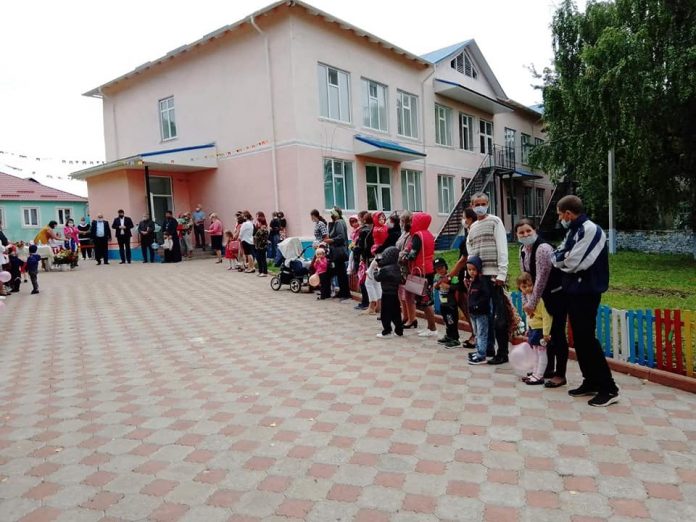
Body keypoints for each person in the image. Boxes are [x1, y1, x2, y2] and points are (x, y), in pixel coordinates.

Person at [553, 195, 618, 407]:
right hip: (573, 290)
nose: (560, 219)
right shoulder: (573, 231)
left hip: (587, 291)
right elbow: (557, 255)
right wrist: (562, 258)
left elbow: (573, 262)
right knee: (580, 339)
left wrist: (562, 258)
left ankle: (609, 388)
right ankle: (590, 380)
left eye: (560, 215)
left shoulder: (590, 230)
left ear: (568, 214)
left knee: (587, 338)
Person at [516, 218, 567, 388]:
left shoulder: (543, 249)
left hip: (554, 296)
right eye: (521, 232)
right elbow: (525, 279)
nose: (525, 235)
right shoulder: (523, 250)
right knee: (546, 335)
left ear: (535, 230)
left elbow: (540, 280)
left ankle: (560, 374)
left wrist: (532, 303)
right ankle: (547, 369)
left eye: (528, 231)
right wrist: (526, 302)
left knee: (557, 335)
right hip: (538, 300)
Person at [466, 192, 509, 365]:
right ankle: (488, 347)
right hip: (479, 277)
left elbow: (502, 247)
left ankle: (503, 352)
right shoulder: (473, 227)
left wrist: (502, 273)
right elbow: (471, 250)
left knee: (499, 315)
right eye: (477, 204)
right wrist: (470, 273)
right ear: (472, 205)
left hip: (493, 275)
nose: (480, 207)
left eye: (483, 203)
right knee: (483, 313)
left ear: (488, 204)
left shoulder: (495, 221)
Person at [448, 208, 478, 348]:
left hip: (468, 275)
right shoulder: (469, 233)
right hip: (464, 275)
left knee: (469, 306)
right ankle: (474, 332)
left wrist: (450, 275)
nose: (463, 220)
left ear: (470, 219)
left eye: (464, 217)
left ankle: (476, 334)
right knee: (464, 304)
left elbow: (463, 259)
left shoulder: (472, 235)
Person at [405, 212, 437, 337]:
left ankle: (432, 328)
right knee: (426, 299)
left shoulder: (418, 236)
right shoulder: (428, 234)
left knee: (425, 301)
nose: (410, 223)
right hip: (428, 269)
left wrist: (404, 257)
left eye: (412, 221)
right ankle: (430, 327)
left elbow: (412, 254)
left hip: (420, 270)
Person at [518, 272, 552, 385]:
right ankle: (535, 373)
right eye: (524, 287)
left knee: (541, 352)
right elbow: (529, 316)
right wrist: (528, 328)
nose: (527, 288)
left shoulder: (538, 300)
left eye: (530, 285)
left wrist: (546, 333)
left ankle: (539, 375)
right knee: (535, 352)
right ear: (520, 288)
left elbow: (547, 316)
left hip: (540, 329)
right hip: (533, 328)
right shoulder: (527, 299)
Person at [466, 255, 491, 365]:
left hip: (481, 313)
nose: (471, 272)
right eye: (469, 270)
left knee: (481, 334)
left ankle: (481, 355)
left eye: (474, 269)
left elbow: (486, 296)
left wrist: (477, 306)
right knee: (476, 333)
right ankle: (478, 351)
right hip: (473, 313)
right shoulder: (472, 281)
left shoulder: (482, 282)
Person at [373, 246, 403, 338]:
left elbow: (378, 278)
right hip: (394, 293)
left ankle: (387, 331)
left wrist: (375, 271)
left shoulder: (385, 269)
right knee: (396, 312)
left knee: (385, 313)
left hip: (386, 293)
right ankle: (399, 330)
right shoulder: (397, 267)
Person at [434, 258, 460, 348]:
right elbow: (436, 287)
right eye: (437, 269)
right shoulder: (438, 278)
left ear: (446, 267)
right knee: (446, 321)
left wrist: (448, 286)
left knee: (451, 321)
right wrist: (438, 284)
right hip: (443, 304)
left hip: (451, 304)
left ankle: (455, 339)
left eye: (441, 268)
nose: (440, 270)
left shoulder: (452, 277)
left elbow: (456, 287)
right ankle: (449, 336)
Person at [326, 207, 351, 300]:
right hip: (337, 251)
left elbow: (341, 237)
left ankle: (345, 293)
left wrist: (331, 240)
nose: (331, 215)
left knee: (341, 273)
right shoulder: (339, 222)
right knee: (340, 272)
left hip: (338, 252)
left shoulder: (339, 223)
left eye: (332, 214)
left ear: (335, 214)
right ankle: (342, 292)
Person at [396, 211, 416, 328]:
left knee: (408, 294)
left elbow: (406, 250)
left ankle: (412, 318)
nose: (401, 223)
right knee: (401, 292)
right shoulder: (403, 233)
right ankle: (405, 316)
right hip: (400, 266)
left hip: (406, 267)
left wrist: (398, 256)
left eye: (403, 221)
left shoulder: (411, 234)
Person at [254, 212, 270, 277]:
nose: (257, 223)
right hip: (258, 246)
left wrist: (256, 235)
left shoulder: (264, 229)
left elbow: (260, 236)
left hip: (262, 246)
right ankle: (260, 271)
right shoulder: (259, 229)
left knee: (263, 259)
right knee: (258, 258)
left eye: (258, 222)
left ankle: (264, 272)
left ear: (261, 223)